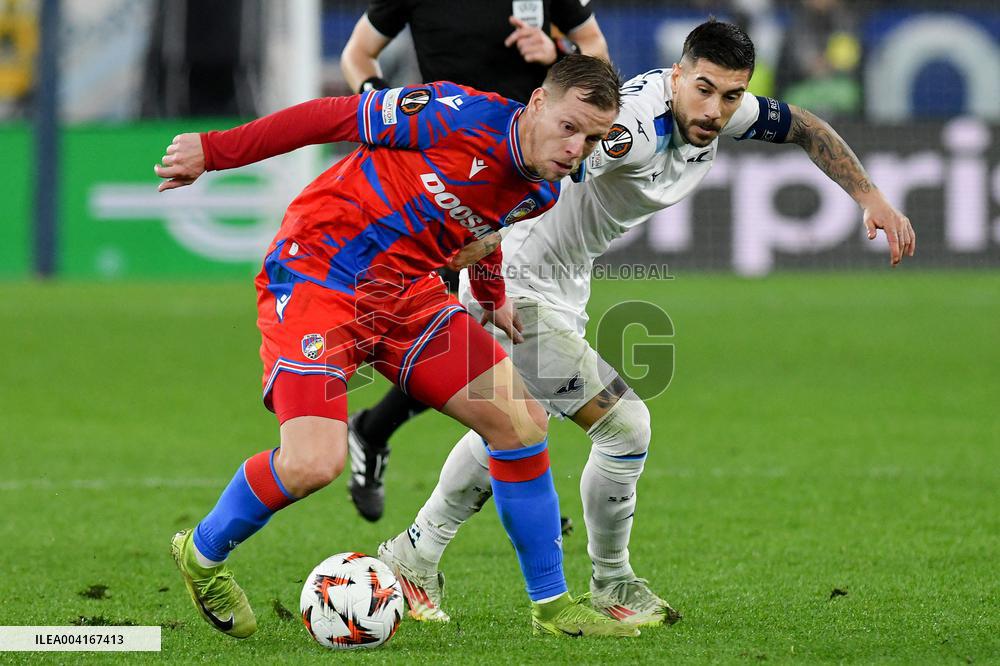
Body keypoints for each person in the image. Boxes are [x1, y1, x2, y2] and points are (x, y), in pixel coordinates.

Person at [375, 19, 916, 626]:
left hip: (562, 284)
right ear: (678, 76)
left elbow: (805, 127)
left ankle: (412, 558)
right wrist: (461, 257)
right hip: (515, 282)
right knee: (624, 426)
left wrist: (870, 196)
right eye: (705, 90)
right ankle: (612, 584)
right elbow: (529, 173)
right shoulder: (630, 131)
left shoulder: (721, 111)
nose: (717, 110)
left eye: (732, 95)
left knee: (514, 425)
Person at [156, 55, 635, 639]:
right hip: (321, 278)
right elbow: (329, 116)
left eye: (592, 139)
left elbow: (484, 233)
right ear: (537, 103)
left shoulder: (542, 191)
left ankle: (553, 608)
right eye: (569, 127)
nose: (576, 149)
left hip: (408, 297)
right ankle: (202, 555)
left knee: (522, 423)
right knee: (313, 464)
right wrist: (214, 151)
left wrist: (491, 290)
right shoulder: (452, 115)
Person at [340, 0, 609, 529]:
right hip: (448, 182)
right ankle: (506, 468)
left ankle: (382, 434)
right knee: (445, 334)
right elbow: (358, 55)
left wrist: (557, 51)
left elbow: (597, 54)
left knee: (499, 329)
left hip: (529, 181)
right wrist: (388, 111)